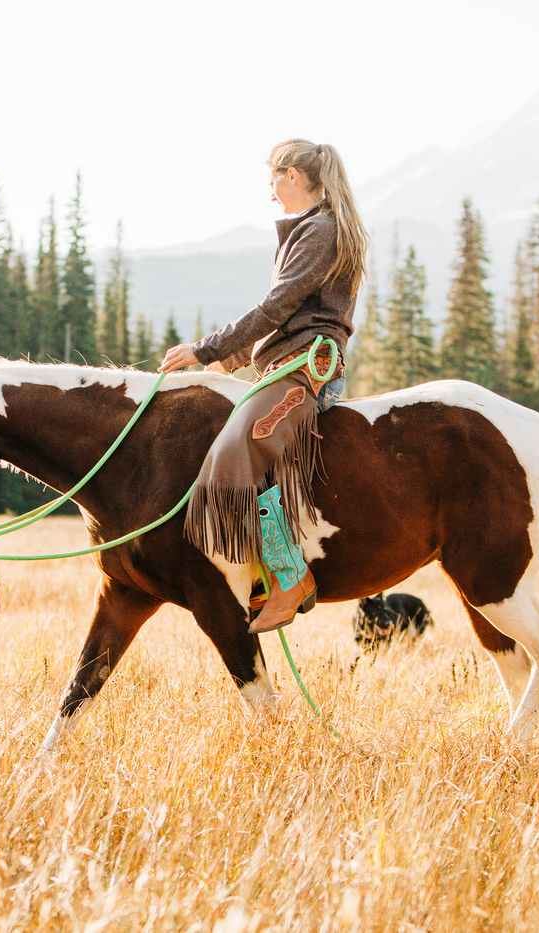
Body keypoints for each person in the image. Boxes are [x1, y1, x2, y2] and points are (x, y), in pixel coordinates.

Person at [158, 139, 368, 633]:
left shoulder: (320, 230)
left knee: (235, 453)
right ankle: (257, 573)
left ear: (293, 175)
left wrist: (205, 350)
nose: (271, 191)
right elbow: (285, 315)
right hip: (285, 366)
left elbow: (275, 310)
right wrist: (227, 364)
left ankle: (290, 578)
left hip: (304, 372)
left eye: (273, 178)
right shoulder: (313, 229)